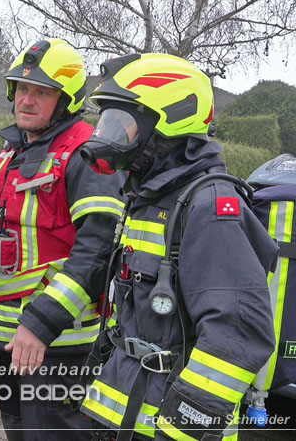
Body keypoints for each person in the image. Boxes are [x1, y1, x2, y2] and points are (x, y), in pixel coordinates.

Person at [77, 53, 277, 441]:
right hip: (126, 414)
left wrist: (184, 427)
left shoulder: (210, 206)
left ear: (168, 123)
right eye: (106, 121)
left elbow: (240, 330)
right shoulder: (150, 198)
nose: (107, 136)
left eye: (122, 123)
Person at [0, 39, 126, 441]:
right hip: (11, 340)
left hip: (58, 343)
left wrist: (41, 324)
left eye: (42, 91)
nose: (27, 100)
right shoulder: (13, 151)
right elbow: (0, 233)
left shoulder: (87, 154)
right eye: (21, 88)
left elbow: (98, 251)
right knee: (17, 430)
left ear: (67, 99)